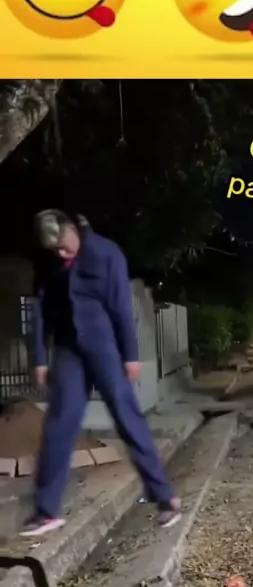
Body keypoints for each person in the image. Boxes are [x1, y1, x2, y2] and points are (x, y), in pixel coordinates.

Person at [20, 209, 181, 537]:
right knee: (59, 423)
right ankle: (46, 511)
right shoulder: (48, 263)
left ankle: (165, 497)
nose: (61, 253)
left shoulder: (106, 254)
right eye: (54, 250)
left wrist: (130, 355)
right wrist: (39, 358)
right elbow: (39, 309)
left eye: (63, 245)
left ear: (73, 229)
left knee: (126, 417)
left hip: (104, 348)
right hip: (68, 351)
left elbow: (121, 307)